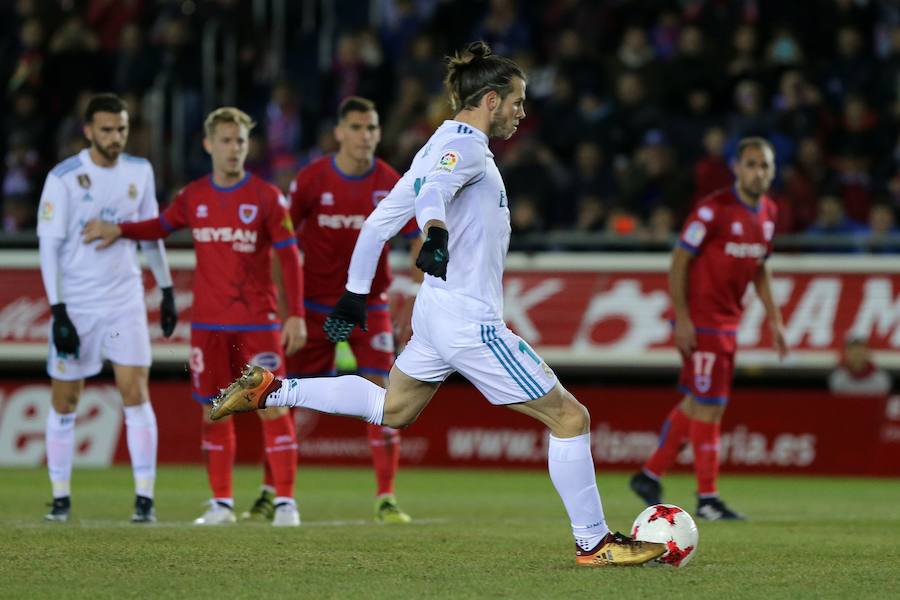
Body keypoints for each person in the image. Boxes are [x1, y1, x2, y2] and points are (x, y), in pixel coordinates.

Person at [209, 41, 666, 567]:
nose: (522, 112)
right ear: (490, 101)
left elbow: (379, 223)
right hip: (468, 318)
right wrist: (435, 233)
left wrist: (357, 292)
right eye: (517, 101)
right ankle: (594, 542)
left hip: (435, 313)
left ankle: (273, 389)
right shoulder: (464, 147)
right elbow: (433, 197)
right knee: (569, 417)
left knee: (392, 408)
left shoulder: (435, 146)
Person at [83, 107, 307, 527]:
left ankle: (286, 504)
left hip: (258, 323)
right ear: (208, 145)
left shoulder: (266, 197)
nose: (233, 149)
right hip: (208, 325)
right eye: (225, 140)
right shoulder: (194, 196)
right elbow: (161, 225)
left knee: (271, 406)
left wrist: (295, 314)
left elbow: (289, 257)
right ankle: (221, 504)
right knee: (215, 409)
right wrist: (120, 230)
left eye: (240, 141)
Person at [630, 137, 789, 521]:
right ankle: (708, 498)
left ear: (773, 171)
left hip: (728, 323)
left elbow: (760, 267)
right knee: (711, 408)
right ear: (736, 167)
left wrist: (775, 317)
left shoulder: (769, 211)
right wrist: (683, 319)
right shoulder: (713, 211)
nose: (758, 172)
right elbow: (679, 262)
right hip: (703, 322)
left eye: (765, 165)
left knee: (696, 403)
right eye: (751, 164)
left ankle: (649, 474)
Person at [37, 93, 177, 523]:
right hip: (77, 306)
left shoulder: (140, 171)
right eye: (106, 130)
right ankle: (60, 496)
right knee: (65, 399)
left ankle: (144, 499)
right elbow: (49, 247)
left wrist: (167, 287)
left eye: (121, 129)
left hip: (123, 302)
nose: (115, 137)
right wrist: (58, 310)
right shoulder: (63, 178)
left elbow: (151, 233)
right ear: (88, 131)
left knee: (135, 392)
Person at [286, 96, 422, 523]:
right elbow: (283, 239)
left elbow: (419, 234)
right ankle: (277, 492)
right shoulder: (311, 180)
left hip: (370, 306)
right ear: (340, 133)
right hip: (313, 307)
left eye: (372, 128)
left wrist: (418, 283)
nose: (366, 136)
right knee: (283, 394)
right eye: (358, 128)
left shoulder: (389, 180)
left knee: (385, 394)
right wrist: (283, 302)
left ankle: (386, 497)